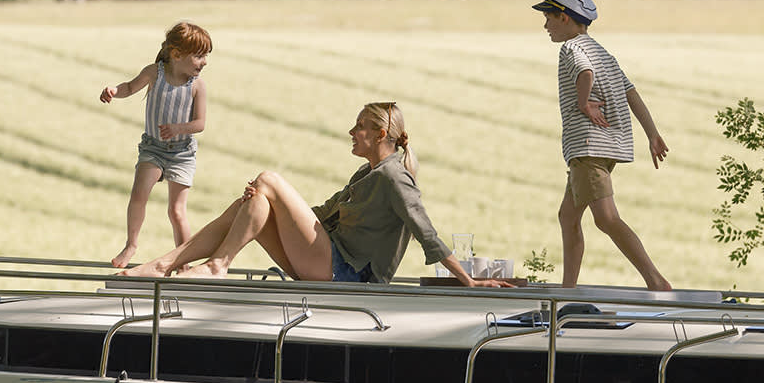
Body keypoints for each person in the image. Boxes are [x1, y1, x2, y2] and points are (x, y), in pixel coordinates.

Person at [147, 102, 514, 288]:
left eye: (359, 127)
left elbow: (425, 231)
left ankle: (216, 266)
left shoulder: (394, 178)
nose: (351, 132)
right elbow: (322, 213)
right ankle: (167, 265)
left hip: (346, 274)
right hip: (326, 263)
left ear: (381, 132)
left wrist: (467, 279)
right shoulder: (366, 172)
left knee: (268, 178)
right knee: (254, 199)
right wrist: (271, 202)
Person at [535, 0, 675, 292]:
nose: (545, 25)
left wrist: (584, 102)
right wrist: (652, 133)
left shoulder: (571, 48)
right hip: (608, 146)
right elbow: (631, 94)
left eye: (548, 17)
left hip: (588, 145)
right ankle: (568, 289)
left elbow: (585, 74)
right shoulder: (603, 52)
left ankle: (655, 280)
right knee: (567, 216)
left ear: (564, 18)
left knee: (606, 218)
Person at [100, 20, 213, 273]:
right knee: (139, 196)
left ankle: (184, 261)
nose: (204, 62)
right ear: (176, 54)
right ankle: (131, 245)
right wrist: (113, 91)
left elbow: (200, 123)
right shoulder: (154, 73)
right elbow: (129, 88)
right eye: (199, 56)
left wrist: (177, 129)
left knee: (177, 210)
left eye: (206, 56)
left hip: (182, 153)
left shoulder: (197, 86)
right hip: (153, 149)